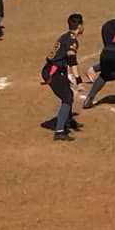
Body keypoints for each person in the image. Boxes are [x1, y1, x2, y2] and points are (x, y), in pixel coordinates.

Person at [42, 13, 84, 142]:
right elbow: (71, 60)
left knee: (69, 93)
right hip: (52, 72)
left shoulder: (65, 36)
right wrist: (79, 81)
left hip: (54, 70)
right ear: (80, 26)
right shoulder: (72, 40)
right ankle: (59, 131)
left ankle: (68, 120)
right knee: (67, 97)